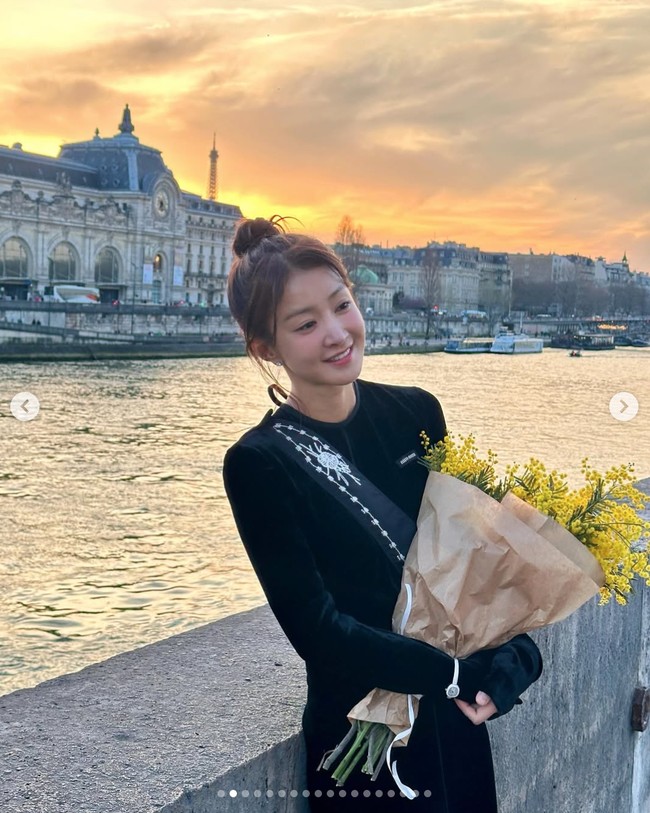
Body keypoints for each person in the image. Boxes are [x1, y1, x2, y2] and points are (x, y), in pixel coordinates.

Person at [222, 216, 542, 812]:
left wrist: (516, 655)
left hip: (454, 727)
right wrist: (450, 673)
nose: (337, 333)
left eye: (342, 306)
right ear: (266, 348)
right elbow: (319, 633)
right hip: (364, 749)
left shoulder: (419, 413)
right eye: (306, 324)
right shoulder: (259, 463)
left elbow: (471, 569)